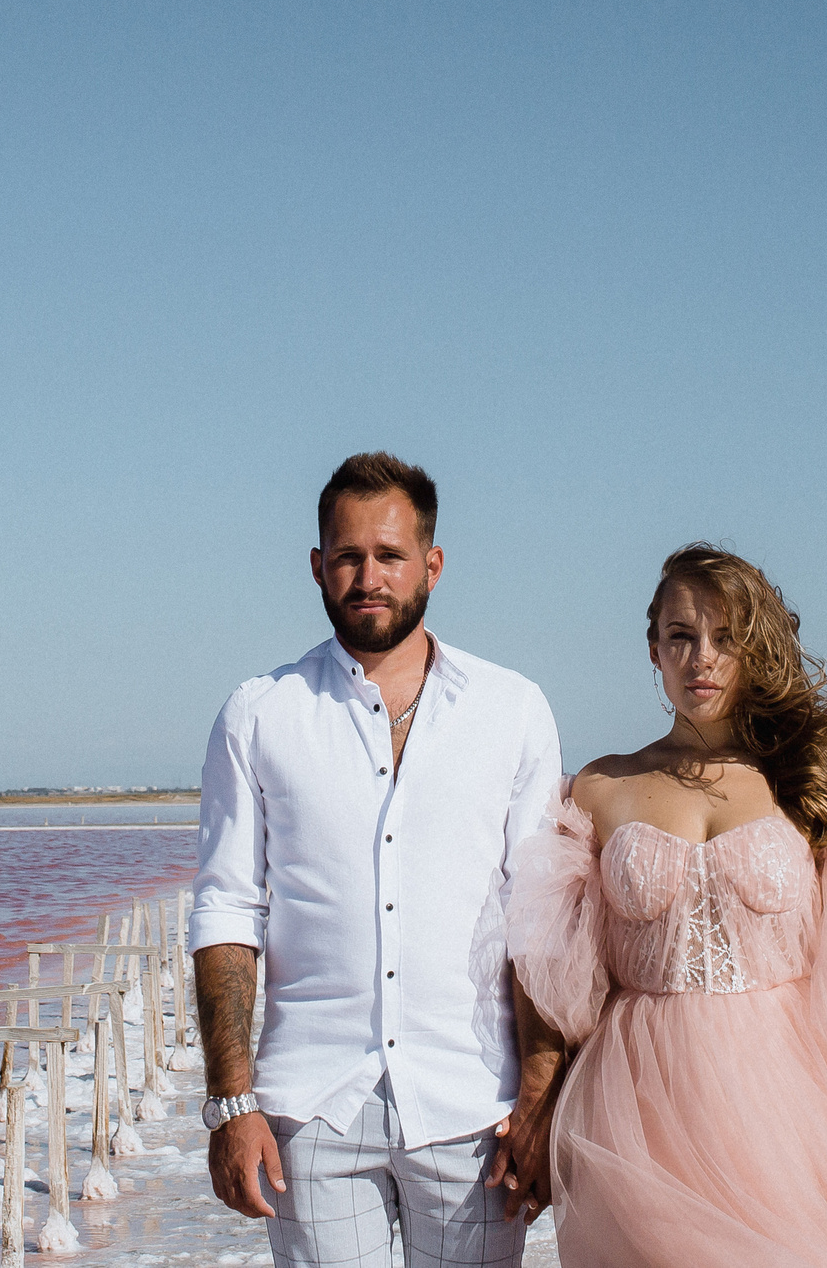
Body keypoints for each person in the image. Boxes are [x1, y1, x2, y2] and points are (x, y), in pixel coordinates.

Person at [503, 544, 827, 1268]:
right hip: (638, 1107)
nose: (701, 658)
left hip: (790, 1103)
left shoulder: (806, 787)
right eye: (681, 636)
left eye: (725, 636)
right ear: (654, 650)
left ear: (756, 648)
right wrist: (541, 1098)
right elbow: (546, 966)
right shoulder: (600, 787)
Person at [191, 451, 565, 1268]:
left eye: (390, 555)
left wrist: (542, 1092)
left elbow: (539, 914)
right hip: (312, 1105)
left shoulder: (513, 710)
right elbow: (226, 907)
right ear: (318, 564)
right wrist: (230, 1102)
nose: (369, 576)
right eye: (349, 556)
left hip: (474, 1108)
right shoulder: (260, 712)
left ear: (431, 564)